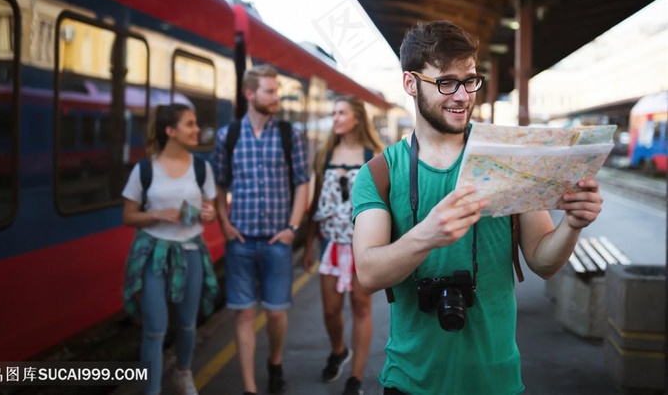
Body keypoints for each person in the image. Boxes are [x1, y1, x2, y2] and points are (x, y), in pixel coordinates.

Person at [351, 20, 604, 395]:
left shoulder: (510, 159)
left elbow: (542, 262)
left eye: (469, 80)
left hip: (497, 381)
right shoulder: (380, 173)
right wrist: (427, 235)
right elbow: (368, 273)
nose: (462, 96)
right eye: (446, 82)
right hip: (409, 382)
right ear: (410, 83)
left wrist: (572, 225)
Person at [212, 64, 310, 395]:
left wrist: (292, 227)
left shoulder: (289, 135)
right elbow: (219, 184)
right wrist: (224, 223)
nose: (276, 98)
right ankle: (250, 387)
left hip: (277, 241)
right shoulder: (229, 136)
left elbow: (302, 183)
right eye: (269, 91)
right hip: (240, 240)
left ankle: (275, 361)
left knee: (276, 315)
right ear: (250, 94)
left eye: (276, 91)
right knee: (243, 316)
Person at [121, 103, 217, 395]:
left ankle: (182, 373)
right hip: (154, 254)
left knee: (187, 324)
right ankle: (152, 390)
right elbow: (128, 216)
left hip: (190, 251)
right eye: (190, 124)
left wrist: (209, 214)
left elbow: (209, 207)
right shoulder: (145, 169)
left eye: (195, 123)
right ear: (170, 131)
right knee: (154, 328)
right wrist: (156, 215)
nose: (197, 129)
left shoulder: (202, 168)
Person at [302, 96, 384, 395]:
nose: (335, 118)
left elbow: (384, 203)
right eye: (333, 112)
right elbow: (315, 206)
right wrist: (310, 243)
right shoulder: (325, 154)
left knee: (361, 307)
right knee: (331, 310)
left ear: (357, 118)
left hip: (362, 242)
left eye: (341, 113)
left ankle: (356, 378)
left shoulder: (373, 155)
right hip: (330, 242)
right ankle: (338, 351)